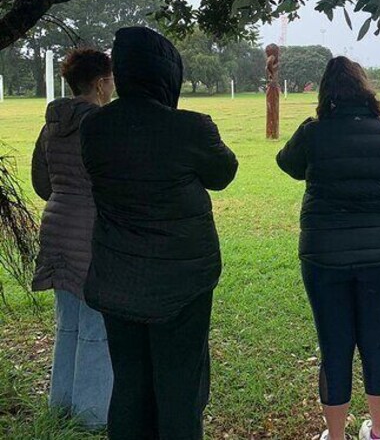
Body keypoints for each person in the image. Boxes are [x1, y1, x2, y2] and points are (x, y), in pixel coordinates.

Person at [80, 27, 238, 439]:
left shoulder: (95, 128)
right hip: (182, 283)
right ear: (169, 75)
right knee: (180, 389)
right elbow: (224, 173)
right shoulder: (190, 128)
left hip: (117, 279)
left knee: (129, 386)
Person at [277, 56, 380, 440]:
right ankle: (378, 431)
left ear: (327, 93)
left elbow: (287, 163)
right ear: (366, 90)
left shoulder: (314, 133)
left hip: (322, 255)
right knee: (377, 342)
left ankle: (336, 435)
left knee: (334, 346)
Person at [31, 48, 115, 429]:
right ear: (100, 83)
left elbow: (41, 183)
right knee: (97, 329)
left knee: (68, 325)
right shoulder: (101, 124)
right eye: (111, 80)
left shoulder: (51, 123)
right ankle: (92, 419)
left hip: (55, 230)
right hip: (90, 233)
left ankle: (60, 406)